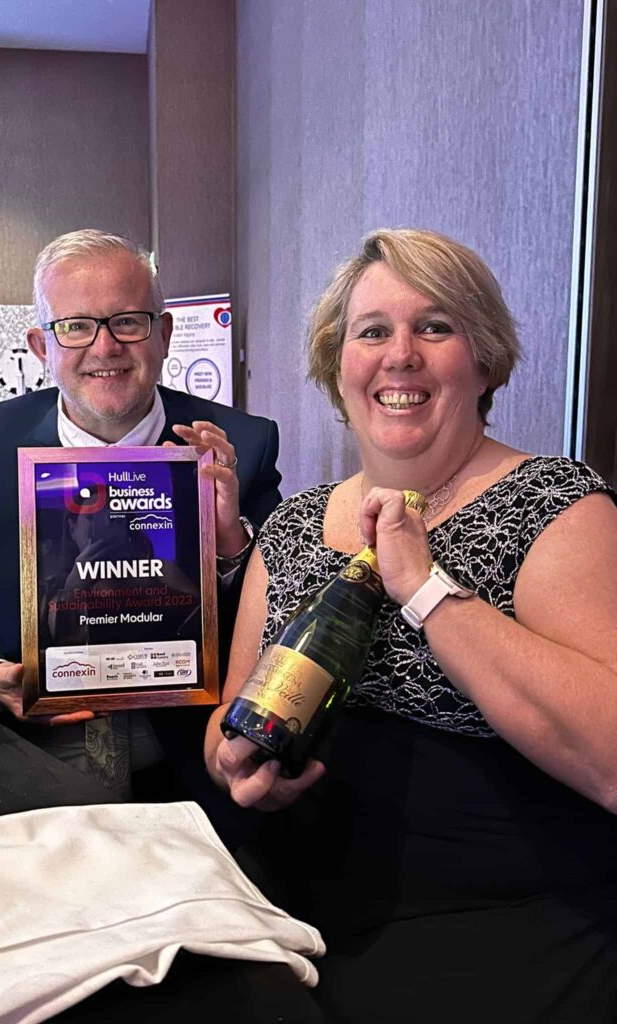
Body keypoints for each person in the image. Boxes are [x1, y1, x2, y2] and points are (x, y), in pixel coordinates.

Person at [205, 228, 617, 1021]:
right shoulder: (291, 526)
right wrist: (237, 766)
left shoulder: (558, 505)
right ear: (338, 364)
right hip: (283, 907)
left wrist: (424, 587)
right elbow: (227, 719)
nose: (400, 355)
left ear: (485, 359)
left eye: (435, 327)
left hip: (497, 927)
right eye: (372, 332)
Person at [0, 230, 281, 821]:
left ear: (165, 334)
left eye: (128, 321)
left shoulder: (239, 447)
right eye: (75, 326)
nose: (105, 347)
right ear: (41, 346)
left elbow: (283, 621)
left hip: (193, 767)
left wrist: (230, 545)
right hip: (26, 762)